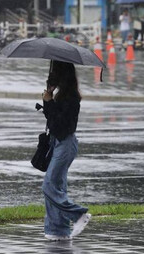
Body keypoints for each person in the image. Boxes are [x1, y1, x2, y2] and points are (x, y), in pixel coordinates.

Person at [42, 60, 91, 241]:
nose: (52, 75)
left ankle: (78, 215)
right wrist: (48, 97)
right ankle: (58, 230)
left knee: (49, 185)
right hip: (57, 143)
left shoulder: (71, 98)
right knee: (57, 186)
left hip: (65, 144)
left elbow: (61, 126)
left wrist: (49, 102)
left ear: (63, 75)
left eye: (56, 72)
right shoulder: (61, 94)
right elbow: (52, 121)